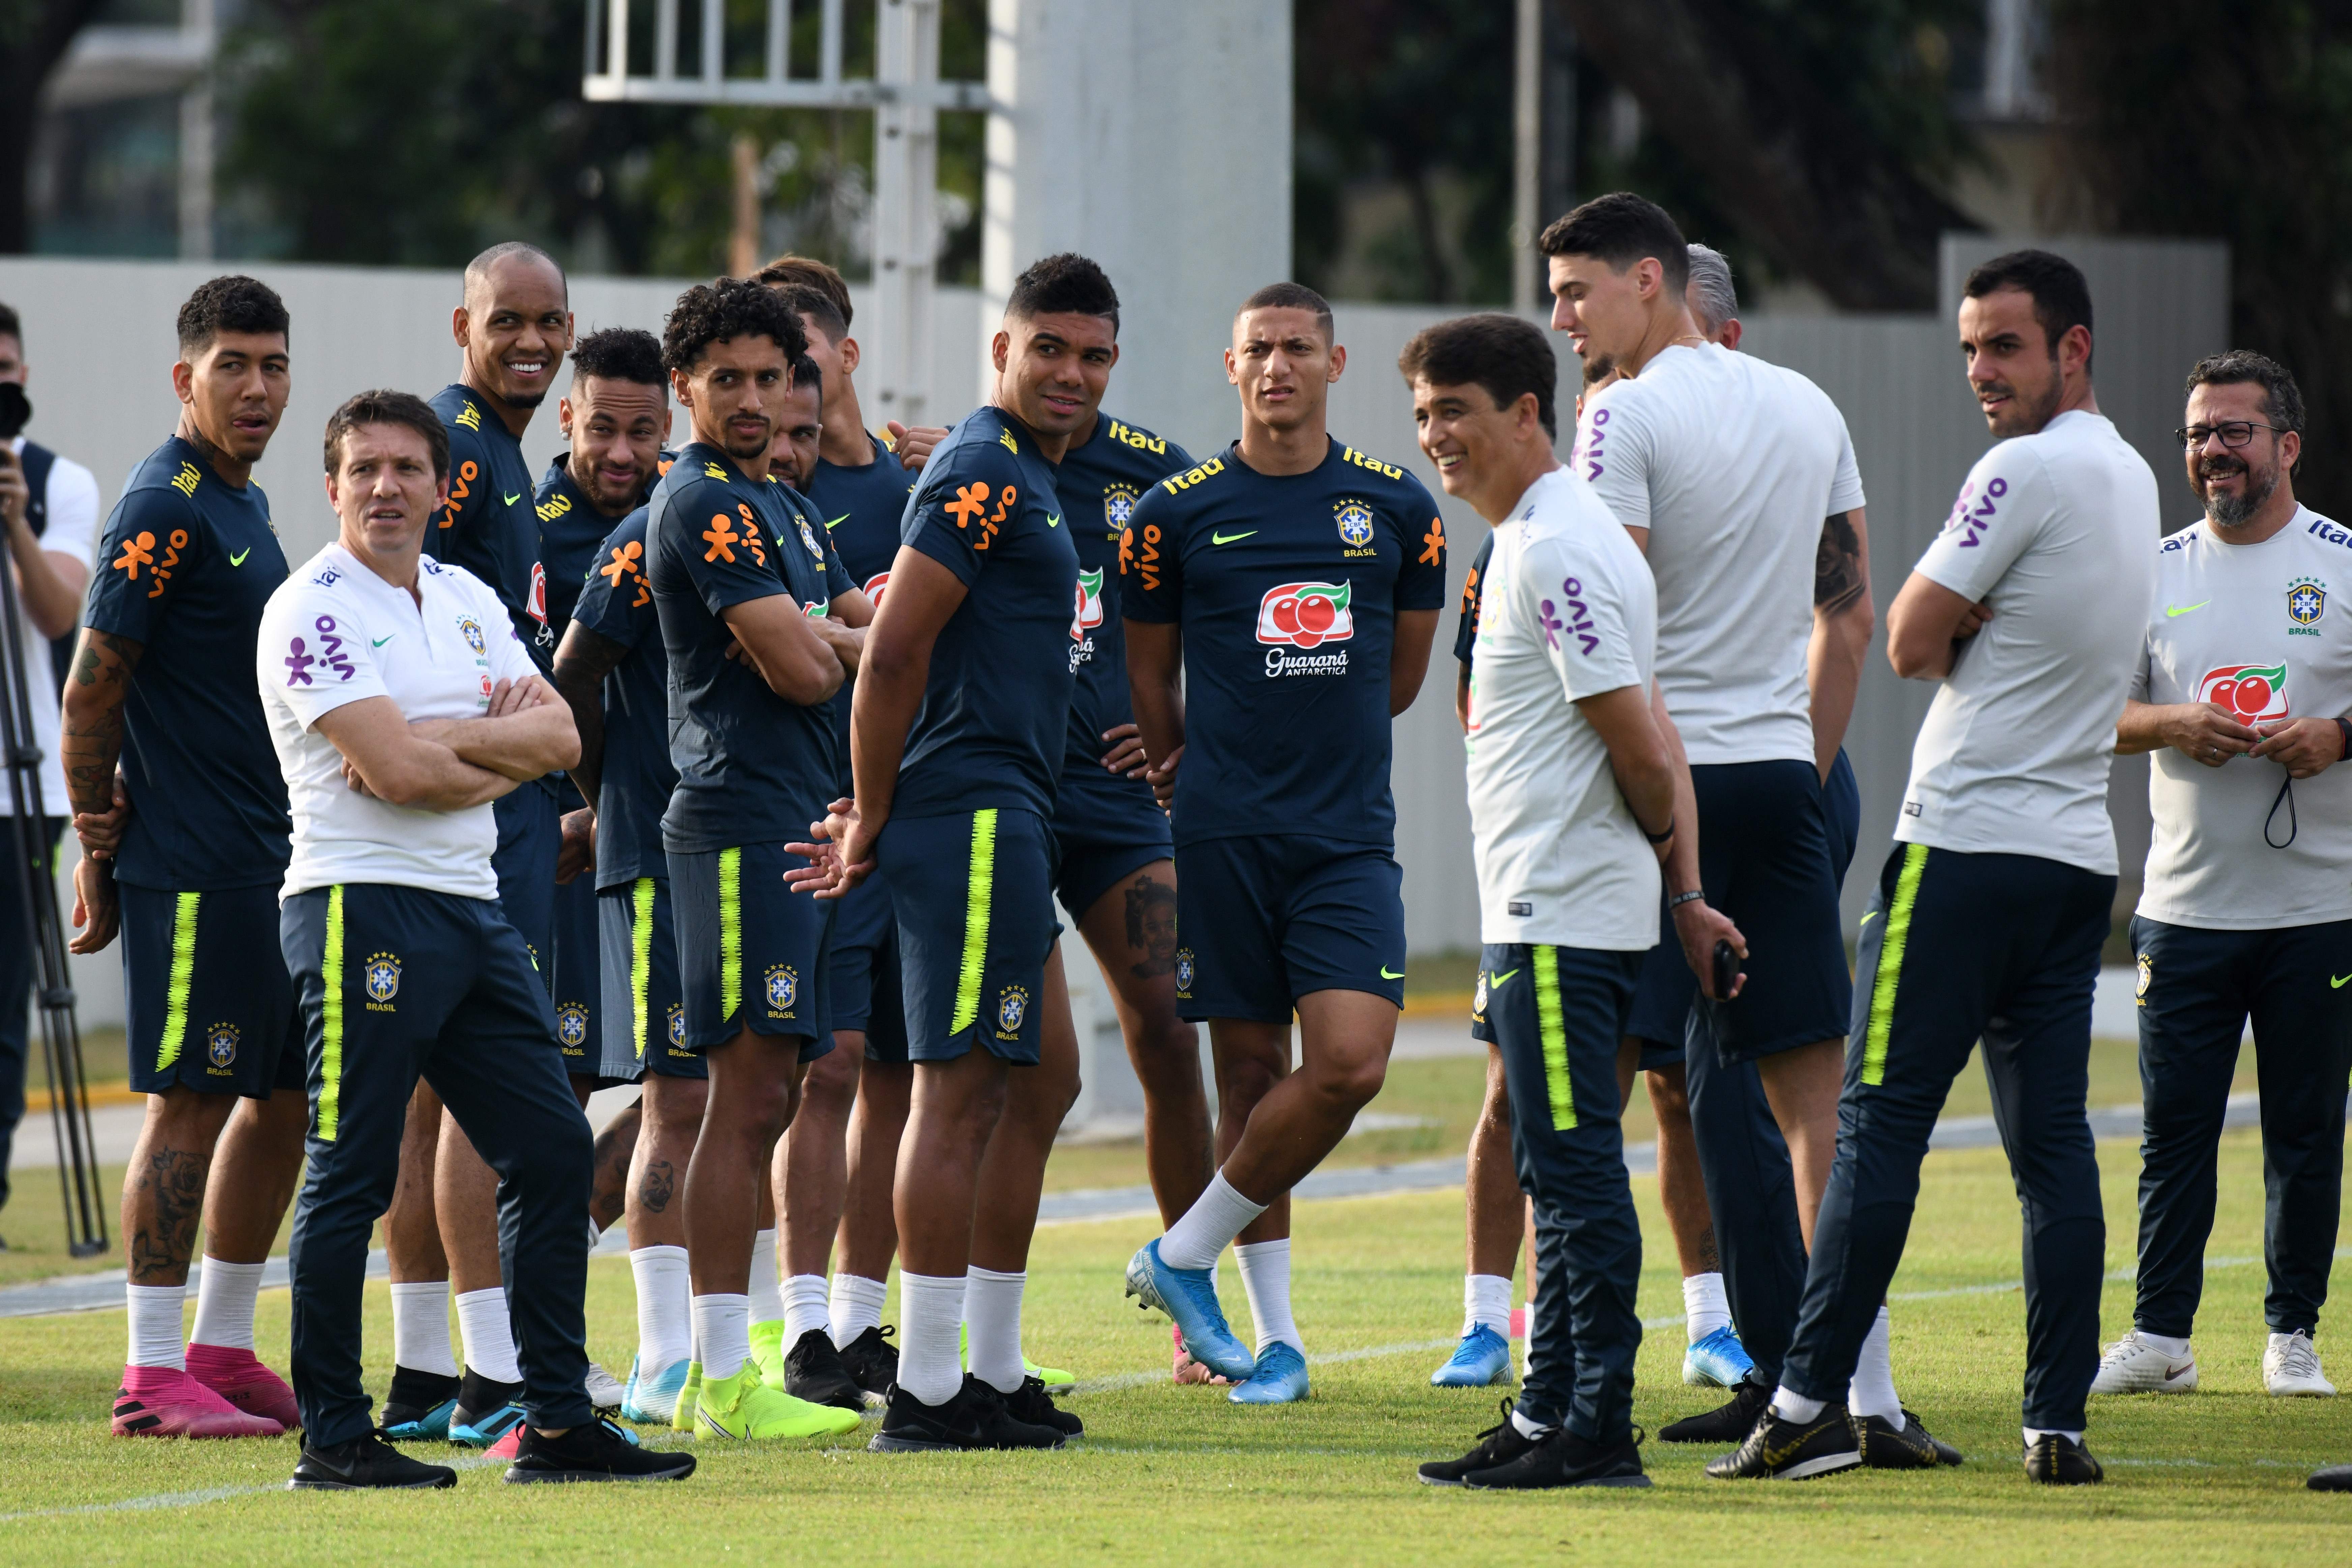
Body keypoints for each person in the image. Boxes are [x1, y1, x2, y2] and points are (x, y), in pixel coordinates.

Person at [1713, 250, 2157, 1486]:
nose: (1979, 372)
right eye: (1968, 348)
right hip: (2074, 856)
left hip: (1964, 845)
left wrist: (1966, 625)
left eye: (2004, 347)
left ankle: (1807, 1401)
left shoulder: (2023, 466)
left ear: (2073, 349)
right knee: (2051, 1147)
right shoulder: (2128, 472)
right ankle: (2054, 1420)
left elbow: (1906, 639)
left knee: (1874, 1130)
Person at [264, 388, 689, 1489]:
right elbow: (389, 777)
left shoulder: (461, 597)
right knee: (352, 1168)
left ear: (444, 487)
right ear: (333, 487)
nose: (386, 487)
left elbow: (552, 732)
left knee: (549, 1150)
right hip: (362, 902)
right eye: (364, 469)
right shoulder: (309, 608)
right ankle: (336, 1436)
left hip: (471, 908)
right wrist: (468, 746)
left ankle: (554, 1423)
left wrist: (440, 736)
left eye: (408, 468)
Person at [1544, 195, 1912, 1457]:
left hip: (1666, 786)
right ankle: (1852, 1398)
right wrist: (1801, 776)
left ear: (1649, 281)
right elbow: (1848, 617)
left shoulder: (1621, 414)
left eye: (1579, 291)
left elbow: (1613, 614)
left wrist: (1661, 806)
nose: (1562, 318)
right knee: (1815, 1108)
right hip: (1775, 774)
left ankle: (1563, 1399)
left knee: (1567, 1080)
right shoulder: (1807, 402)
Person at [788, 255, 1112, 1454]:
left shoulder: (1021, 476)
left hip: (1010, 810)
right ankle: (926, 1393)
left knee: (1043, 1080)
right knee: (957, 1088)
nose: (1069, 374)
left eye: (1090, 355)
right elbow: (893, 654)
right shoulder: (979, 472)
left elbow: (884, 619)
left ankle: (992, 1362)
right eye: (1049, 351)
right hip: (969, 810)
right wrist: (871, 812)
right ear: (1003, 353)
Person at [1432, 251, 1770, 1393]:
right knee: (1558, 1162)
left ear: (1528, 413)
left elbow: (1640, 743)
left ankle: (1584, 1417)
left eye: (1457, 414)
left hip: (1563, 915)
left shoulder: (1561, 546)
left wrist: (1674, 891)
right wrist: (1678, 892)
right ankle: (1548, 1415)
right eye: (1424, 415)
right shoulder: (1549, 533)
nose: (1437, 437)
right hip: (1553, 906)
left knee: (1572, 1175)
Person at [1119, 281, 1445, 1407]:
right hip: (1223, 833)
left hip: (1348, 833)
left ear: (1334, 365)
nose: (1276, 368)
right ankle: (1274, 1342)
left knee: (1349, 1062)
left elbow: (1398, 681)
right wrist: (1185, 770)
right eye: (1256, 350)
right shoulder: (1174, 514)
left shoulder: (1397, 508)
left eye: (1297, 349)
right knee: (1249, 1079)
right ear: (1229, 366)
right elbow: (1148, 677)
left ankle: (1179, 1254)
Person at [54, 277, 307, 1439]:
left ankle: (221, 1343)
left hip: (267, 861)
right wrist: (95, 835)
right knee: (191, 1102)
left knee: (285, 1101)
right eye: (233, 367)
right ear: (185, 379)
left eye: (272, 365)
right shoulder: (165, 505)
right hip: (196, 868)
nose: (256, 389)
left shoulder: (239, 504)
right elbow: (93, 680)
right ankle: (151, 1375)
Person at [2094, 351, 2352, 1402]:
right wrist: (2168, 722)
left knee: (2303, 1132)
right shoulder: (2146, 569)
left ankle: (2290, 1334)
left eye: (2233, 431)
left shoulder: (2340, 561)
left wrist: (2337, 735)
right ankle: (2161, 1336)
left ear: (2284, 445)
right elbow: (2091, 714)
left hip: (2317, 909)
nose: (2212, 450)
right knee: (2173, 1134)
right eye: (2198, 433)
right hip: (2183, 909)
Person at [641, 279, 864, 1443]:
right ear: (686, 390)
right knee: (741, 1097)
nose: (746, 398)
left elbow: (864, 625)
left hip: (791, 818)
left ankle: (727, 1363)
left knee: (776, 1088)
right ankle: (716, 1378)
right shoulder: (705, 507)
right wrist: (834, 633)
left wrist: (832, 628)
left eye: (765, 378)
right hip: (734, 825)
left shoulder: (783, 502)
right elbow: (813, 670)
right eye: (721, 379)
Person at [755, 265, 918, 1403]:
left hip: (925, 818)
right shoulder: (744, 496)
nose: (781, 397)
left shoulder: (920, 484)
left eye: (798, 363)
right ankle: (796, 1329)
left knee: (916, 1074)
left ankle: (864, 1322)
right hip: (807, 824)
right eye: (761, 374)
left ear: (844, 358)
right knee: (824, 1069)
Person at [534, 327, 674, 1092]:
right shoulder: (525, 529)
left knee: (691, 1083)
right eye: (602, 429)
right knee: (561, 1081)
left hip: (666, 838)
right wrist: (597, 809)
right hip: (555, 846)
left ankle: (579, 1217)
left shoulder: (692, 515)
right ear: (567, 418)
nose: (621, 453)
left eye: (641, 432)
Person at [0, 301, 101, 1234]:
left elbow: (57, 610)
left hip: (15, 793)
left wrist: (15, 523)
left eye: (8, 367)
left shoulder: (55, 480)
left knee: (4, 1009)